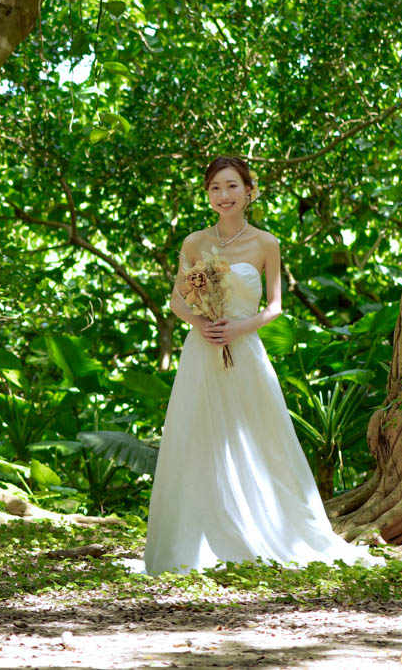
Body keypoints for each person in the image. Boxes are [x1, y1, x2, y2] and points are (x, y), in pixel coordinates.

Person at [142, 155, 375, 574]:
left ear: (249, 192)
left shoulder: (266, 243)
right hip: (202, 350)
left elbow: (274, 307)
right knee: (197, 435)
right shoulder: (195, 242)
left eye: (232, 186)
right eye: (215, 187)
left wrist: (238, 328)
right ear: (207, 194)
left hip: (245, 350)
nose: (223, 195)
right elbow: (177, 300)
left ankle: (270, 528)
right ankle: (196, 537)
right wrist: (201, 323)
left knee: (260, 436)